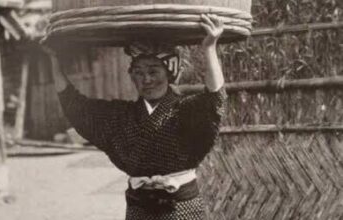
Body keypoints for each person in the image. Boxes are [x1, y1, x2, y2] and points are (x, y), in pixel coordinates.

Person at [45, 14, 226, 220]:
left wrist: (210, 47)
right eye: (138, 72)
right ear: (131, 77)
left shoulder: (187, 111)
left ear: (169, 73)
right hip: (138, 210)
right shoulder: (120, 117)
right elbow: (74, 105)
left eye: (154, 71)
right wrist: (53, 59)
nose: (146, 79)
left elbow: (214, 97)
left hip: (183, 209)